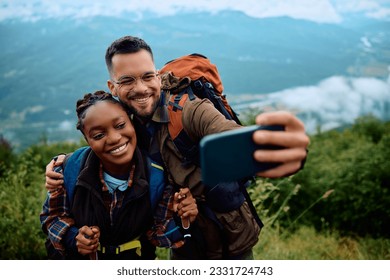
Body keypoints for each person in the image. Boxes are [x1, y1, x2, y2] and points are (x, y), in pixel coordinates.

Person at [45, 36, 310, 259]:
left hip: (226, 229)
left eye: (148, 77)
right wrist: (63, 163)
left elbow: (227, 132)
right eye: (127, 81)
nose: (141, 89)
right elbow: (102, 137)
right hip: (177, 232)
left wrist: (274, 146)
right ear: (113, 87)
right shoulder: (124, 117)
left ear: (158, 77)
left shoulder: (188, 110)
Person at [40, 90, 198, 260]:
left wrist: (183, 218)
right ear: (87, 140)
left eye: (120, 125)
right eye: (99, 135)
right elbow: (52, 217)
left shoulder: (157, 177)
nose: (114, 138)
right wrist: (74, 238)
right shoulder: (66, 170)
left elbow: (158, 233)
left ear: (131, 123)